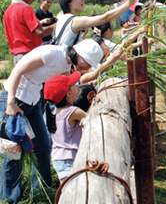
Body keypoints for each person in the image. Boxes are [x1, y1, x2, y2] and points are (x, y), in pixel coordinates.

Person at [0, 40, 103, 203]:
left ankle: (41, 188)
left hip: (32, 101)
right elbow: (17, 70)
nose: (87, 68)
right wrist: (10, 103)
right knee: (13, 152)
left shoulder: (67, 64)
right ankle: (9, 198)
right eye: (87, 63)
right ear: (79, 54)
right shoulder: (50, 54)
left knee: (43, 145)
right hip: (16, 100)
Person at [55, 0, 140, 47]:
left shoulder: (61, 17)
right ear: (69, 1)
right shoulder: (75, 21)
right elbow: (105, 18)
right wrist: (128, 4)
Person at [43, 72, 90, 183]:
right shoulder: (73, 111)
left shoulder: (53, 111)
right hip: (68, 158)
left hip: (58, 158)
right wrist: (94, 102)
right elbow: (92, 118)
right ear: (69, 93)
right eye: (73, 84)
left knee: (66, 191)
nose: (77, 84)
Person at [3, 0, 54, 65]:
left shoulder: (7, 12)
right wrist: (58, 25)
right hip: (30, 55)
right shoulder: (26, 9)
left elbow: (8, 40)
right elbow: (41, 32)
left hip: (17, 57)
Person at [79, 23, 149, 84]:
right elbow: (123, 47)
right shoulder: (106, 46)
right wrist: (139, 32)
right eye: (105, 46)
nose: (107, 47)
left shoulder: (101, 46)